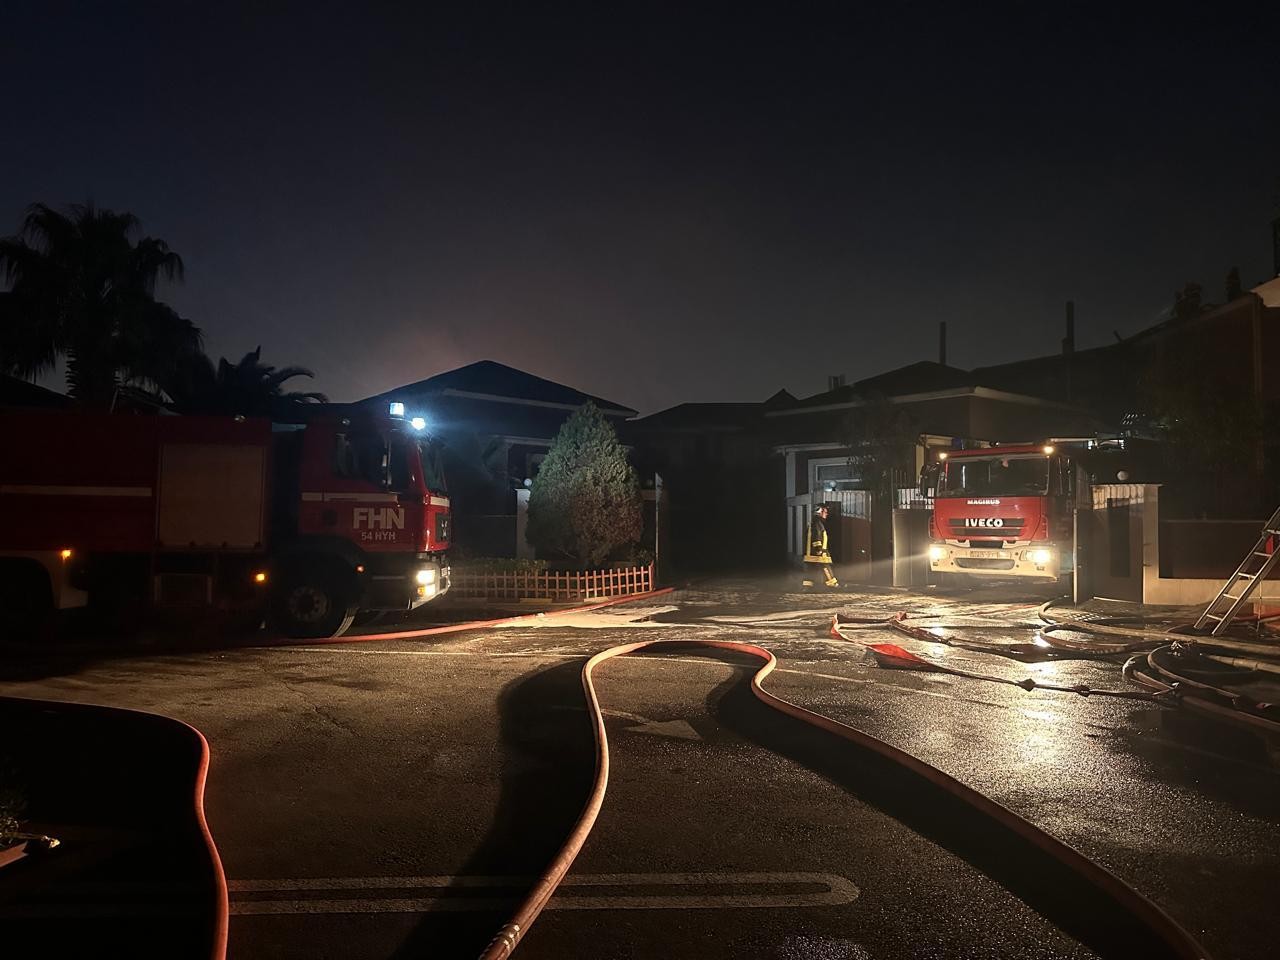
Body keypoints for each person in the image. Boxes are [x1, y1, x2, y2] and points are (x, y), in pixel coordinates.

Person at [803, 504, 839, 588]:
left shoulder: (813, 523)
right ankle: (832, 585)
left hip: (810, 553)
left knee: (810, 570)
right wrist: (818, 548)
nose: (826, 514)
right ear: (820, 512)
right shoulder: (817, 523)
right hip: (818, 553)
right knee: (826, 568)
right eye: (825, 512)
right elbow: (817, 536)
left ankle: (807, 587)